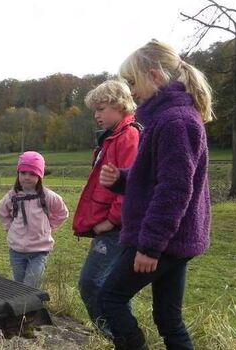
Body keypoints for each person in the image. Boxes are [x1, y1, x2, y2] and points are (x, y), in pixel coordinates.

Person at [98, 39, 213, 350]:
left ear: (156, 76)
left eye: (133, 82)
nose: (131, 91)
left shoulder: (175, 121)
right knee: (168, 317)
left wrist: (150, 246)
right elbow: (158, 177)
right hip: (175, 239)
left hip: (164, 240)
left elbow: (175, 189)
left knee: (110, 297)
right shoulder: (167, 118)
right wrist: (122, 180)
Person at [72, 80, 140, 336]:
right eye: (95, 110)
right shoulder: (112, 138)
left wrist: (111, 221)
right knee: (113, 287)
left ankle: (115, 337)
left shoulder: (128, 136)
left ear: (119, 105)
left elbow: (131, 183)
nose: (96, 115)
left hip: (117, 227)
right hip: (110, 225)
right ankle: (127, 337)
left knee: (91, 283)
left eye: (101, 108)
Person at [0, 151, 69, 288]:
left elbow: (62, 213)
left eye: (32, 174)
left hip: (39, 251)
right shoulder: (12, 196)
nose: (27, 177)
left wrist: (50, 227)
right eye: (23, 173)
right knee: (19, 285)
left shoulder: (48, 196)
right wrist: (9, 227)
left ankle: (31, 308)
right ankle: (22, 309)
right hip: (16, 251)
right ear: (18, 174)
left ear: (39, 176)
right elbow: (1, 210)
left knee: (31, 286)